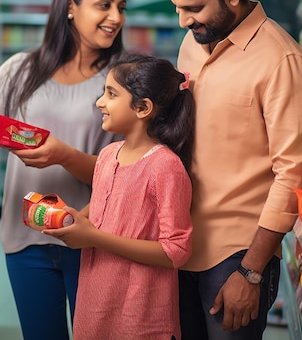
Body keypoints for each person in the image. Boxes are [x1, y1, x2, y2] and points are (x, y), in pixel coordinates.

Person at [154, 0, 302, 340]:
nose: (183, 20)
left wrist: (251, 271)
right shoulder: (193, 44)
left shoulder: (281, 61)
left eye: (192, 8)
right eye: (177, 8)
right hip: (180, 243)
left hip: (235, 258)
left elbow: (293, 175)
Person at [0, 0, 127, 340]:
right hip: (25, 238)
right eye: (104, 4)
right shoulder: (19, 70)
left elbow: (126, 176)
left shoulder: (122, 80)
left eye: (121, 7)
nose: (115, 17)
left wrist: (64, 155)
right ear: (70, 7)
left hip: (93, 236)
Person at [44, 53, 195, 340]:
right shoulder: (108, 154)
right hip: (95, 304)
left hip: (139, 315)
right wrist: (71, 219)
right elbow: (103, 204)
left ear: (142, 108)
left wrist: (94, 238)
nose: (100, 102)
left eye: (111, 94)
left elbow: (175, 251)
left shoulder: (165, 166)